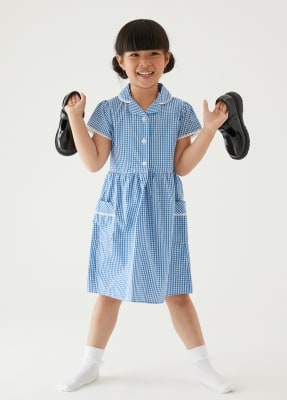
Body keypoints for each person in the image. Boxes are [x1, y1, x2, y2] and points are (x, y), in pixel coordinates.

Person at [58, 19, 235, 394]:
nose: (144, 61)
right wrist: (75, 118)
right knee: (109, 290)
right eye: (134, 54)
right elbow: (92, 162)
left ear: (166, 58)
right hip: (119, 209)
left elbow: (181, 166)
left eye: (153, 52)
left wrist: (208, 129)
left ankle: (203, 366)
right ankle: (90, 364)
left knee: (177, 290)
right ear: (120, 61)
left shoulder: (180, 110)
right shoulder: (109, 110)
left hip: (162, 208)